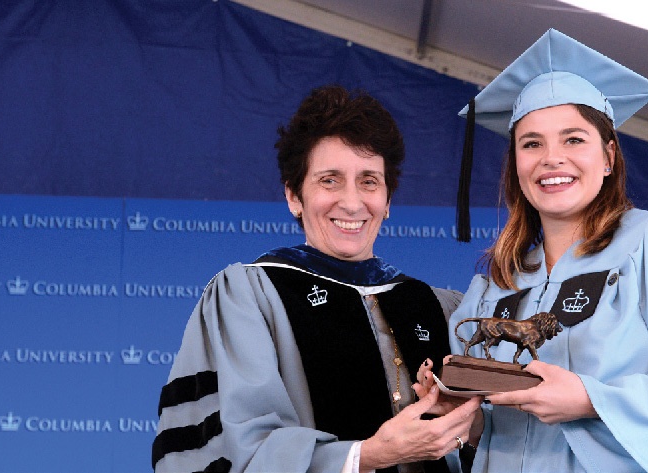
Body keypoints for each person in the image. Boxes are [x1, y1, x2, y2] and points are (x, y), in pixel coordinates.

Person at [418, 29, 648, 472]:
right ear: (515, 164)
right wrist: (464, 422)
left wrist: (592, 400)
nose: (551, 158)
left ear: (609, 156)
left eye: (574, 139)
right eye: (532, 143)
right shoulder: (496, 285)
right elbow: (491, 438)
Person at [152, 85, 481, 473]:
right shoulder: (252, 296)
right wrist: (368, 455)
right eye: (330, 180)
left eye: (369, 181)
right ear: (294, 196)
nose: (353, 202)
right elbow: (235, 447)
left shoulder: (436, 307)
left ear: (388, 201)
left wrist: (473, 428)